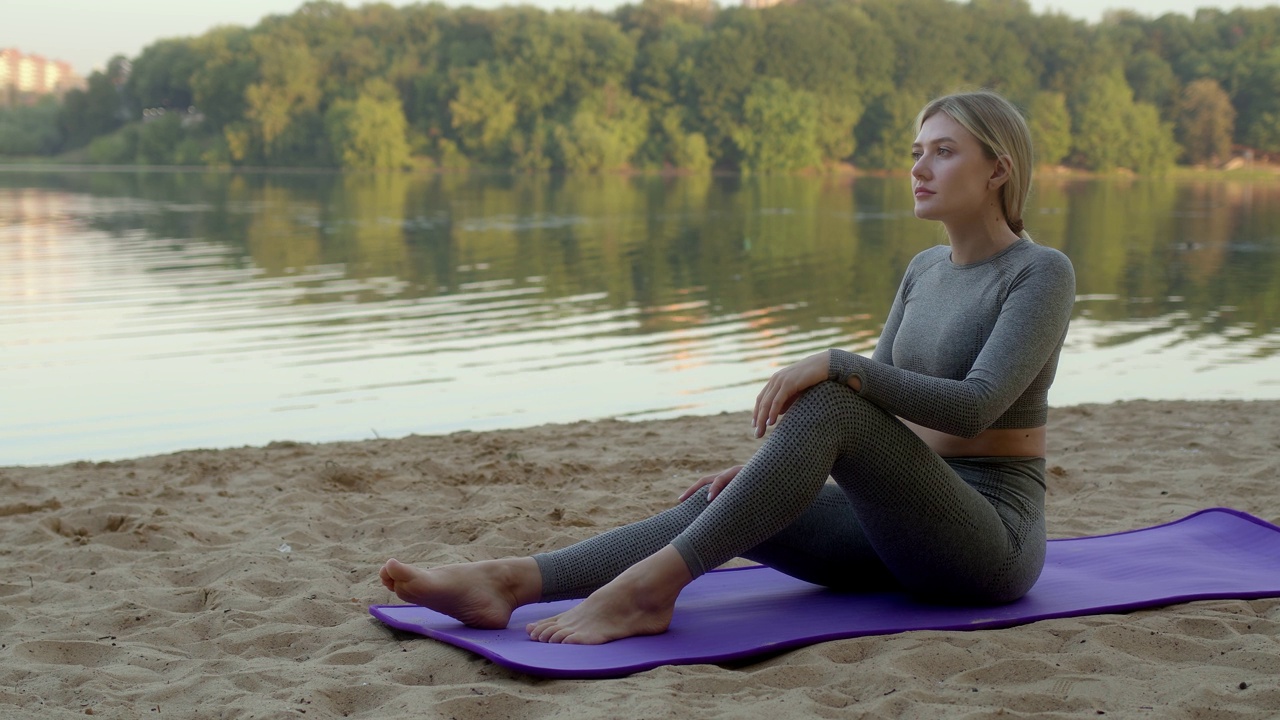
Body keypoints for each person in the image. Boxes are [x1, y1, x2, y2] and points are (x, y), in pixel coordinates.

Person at [380, 89, 1076, 645]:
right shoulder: (924, 269)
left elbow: (974, 405)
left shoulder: (1039, 273)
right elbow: (885, 418)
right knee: (725, 499)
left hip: (987, 542)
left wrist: (838, 363)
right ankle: (508, 580)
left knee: (832, 396)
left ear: (998, 169)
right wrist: (777, 469)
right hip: (898, 528)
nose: (919, 168)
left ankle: (651, 589)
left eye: (944, 152)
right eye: (917, 151)